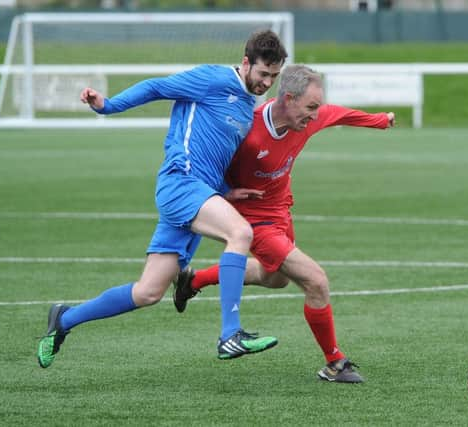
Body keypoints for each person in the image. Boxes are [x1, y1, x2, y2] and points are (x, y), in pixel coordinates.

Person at [36, 30, 288, 368]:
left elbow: (214, 149)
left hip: (200, 193)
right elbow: (156, 86)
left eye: (274, 76)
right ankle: (230, 333)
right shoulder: (213, 79)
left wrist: (227, 191)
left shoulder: (245, 103)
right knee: (240, 233)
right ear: (246, 63)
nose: (267, 82)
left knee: (148, 292)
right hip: (181, 184)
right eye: (262, 74)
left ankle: (63, 320)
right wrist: (107, 106)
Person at [172, 64, 395, 383]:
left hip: (281, 212)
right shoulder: (246, 130)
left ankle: (193, 282)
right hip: (253, 220)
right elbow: (209, 164)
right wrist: (224, 193)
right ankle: (335, 362)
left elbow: (340, 114)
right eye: (310, 107)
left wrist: (380, 121)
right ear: (288, 99)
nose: (316, 115)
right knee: (316, 281)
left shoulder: (308, 119)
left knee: (274, 278)